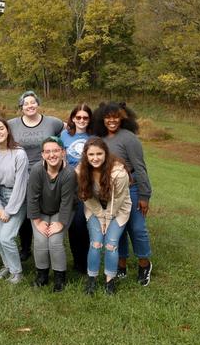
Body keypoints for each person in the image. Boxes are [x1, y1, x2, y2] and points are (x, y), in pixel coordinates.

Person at [93, 102, 153, 286]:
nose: (112, 120)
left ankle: (144, 264)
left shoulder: (129, 138)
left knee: (136, 227)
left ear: (123, 118)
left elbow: (140, 168)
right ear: (102, 118)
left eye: (116, 116)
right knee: (118, 229)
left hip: (132, 188)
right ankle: (121, 265)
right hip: (110, 190)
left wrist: (144, 196)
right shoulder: (100, 138)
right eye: (108, 117)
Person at [7, 90, 64, 261]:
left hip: (46, 171)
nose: (30, 106)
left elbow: (70, 129)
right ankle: (25, 247)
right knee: (26, 209)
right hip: (22, 173)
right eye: (26, 104)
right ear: (21, 107)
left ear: (37, 104)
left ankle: (46, 240)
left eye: (33, 102)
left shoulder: (52, 122)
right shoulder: (12, 124)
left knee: (44, 206)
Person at [77, 137, 132, 295]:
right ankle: (91, 279)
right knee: (96, 243)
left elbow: (118, 200)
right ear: (86, 156)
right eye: (91, 154)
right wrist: (101, 217)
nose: (95, 158)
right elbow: (85, 196)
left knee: (111, 243)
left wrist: (107, 219)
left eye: (99, 154)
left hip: (118, 208)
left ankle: (110, 280)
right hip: (94, 208)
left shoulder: (119, 173)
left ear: (106, 154)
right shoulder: (81, 171)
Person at [27, 136, 76, 292]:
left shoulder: (69, 173)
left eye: (56, 150)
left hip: (61, 211)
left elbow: (67, 202)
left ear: (63, 152)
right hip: (40, 211)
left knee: (55, 240)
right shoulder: (36, 170)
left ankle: (60, 277)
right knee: (41, 240)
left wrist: (60, 223)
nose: (52, 155)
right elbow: (32, 197)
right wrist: (37, 221)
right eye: (47, 151)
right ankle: (42, 274)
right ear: (42, 154)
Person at [0, 118, 29, 284]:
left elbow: (20, 186)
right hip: (0, 198)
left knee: (6, 238)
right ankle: (7, 266)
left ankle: (17, 273)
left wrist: (9, 211)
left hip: (17, 198)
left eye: (1, 128)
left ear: (8, 130)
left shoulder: (19, 153)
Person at [60, 104, 93, 274]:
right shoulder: (65, 134)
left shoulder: (93, 136)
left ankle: (85, 261)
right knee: (73, 225)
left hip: (86, 185)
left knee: (82, 224)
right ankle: (77, 262)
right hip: (68, 185)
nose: (81, 120)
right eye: (78, 117)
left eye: (85, 117)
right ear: (73, 118)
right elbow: (60, 156)